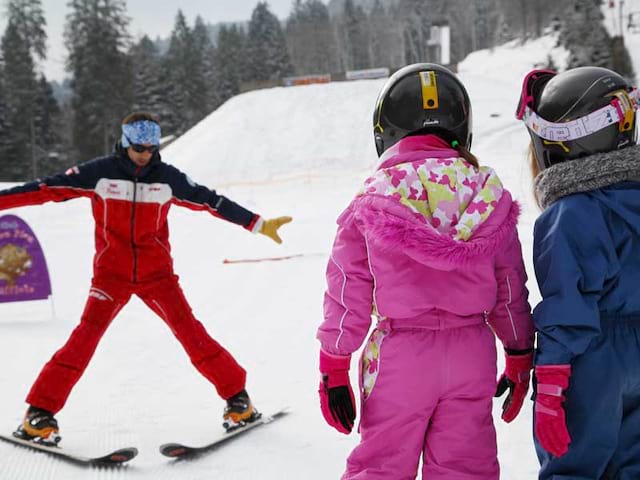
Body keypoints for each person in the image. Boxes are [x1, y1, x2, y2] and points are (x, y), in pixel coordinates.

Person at [0, 112, 292, 445]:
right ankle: (39, 413)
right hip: (111, 276)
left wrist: (256, 223)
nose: (145, 154)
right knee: (84, 339)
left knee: (191, 334)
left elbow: (211, 201)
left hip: (158, 277)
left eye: (151, 148)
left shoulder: (167, 178)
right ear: (125, 143)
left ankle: (238, 401)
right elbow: (44, 189)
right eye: (139, 148)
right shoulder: (99, 173)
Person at [316, 63, 535, 480]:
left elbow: (348, 290)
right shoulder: (487, 194)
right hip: (471, 354)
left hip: (400, 357)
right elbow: (509, 288)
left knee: (381, 465)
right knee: (465, 468)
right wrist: (519, 353)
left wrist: (334, 365)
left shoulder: (373, 197)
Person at [517, 66, 640, 479]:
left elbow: (566, 306)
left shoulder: (570, 215)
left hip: (592, 358)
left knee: (575, 467)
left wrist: (551, 381)